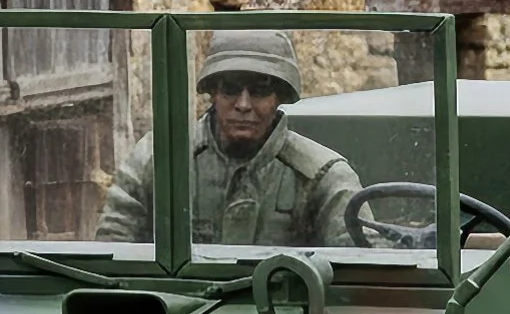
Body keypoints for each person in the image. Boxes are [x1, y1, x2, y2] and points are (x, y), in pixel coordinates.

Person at [95, 28, 362, 245]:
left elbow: (362, 270)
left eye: (259, 91)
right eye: (231, 90)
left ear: (279, 97)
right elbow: (113, 249)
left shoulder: (321, 176)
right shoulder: (158, 159)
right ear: (213, 93)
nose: (243, 104)